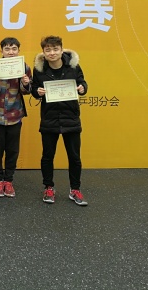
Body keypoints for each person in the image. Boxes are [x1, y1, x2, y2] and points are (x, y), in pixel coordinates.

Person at [31, 35, 88, 206]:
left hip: (71, 117)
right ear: (43, 52)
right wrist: (37, 92)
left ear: (61, 50)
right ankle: (48, 187)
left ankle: (75, 189)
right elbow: (34, 89)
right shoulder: (39, 69)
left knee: (74, 157)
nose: (52, 53)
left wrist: (82, 88)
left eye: (55, 49)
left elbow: (83, 83)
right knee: (47, 156)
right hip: (49, 118)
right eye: (48, 50)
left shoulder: (73, 66)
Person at [0, 37, 32, 198]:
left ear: (18, 50)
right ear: (1, 51)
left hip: (15, 116)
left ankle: (8, 181)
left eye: (14, 49)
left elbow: (27, 91)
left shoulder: (24, 67)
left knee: (12, 151)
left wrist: (26, 83)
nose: (10, 52)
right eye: (7, 49)